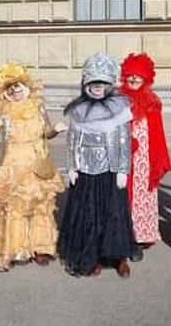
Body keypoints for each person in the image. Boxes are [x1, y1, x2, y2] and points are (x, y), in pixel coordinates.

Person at [57, 52, 137, 279]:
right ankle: (95, 256)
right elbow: (72, 140)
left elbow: (124, 142)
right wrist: (72, 167)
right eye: (93, 83)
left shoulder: (119, 109)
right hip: (86, 170)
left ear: (109, 84)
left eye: (101, 82)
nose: (97, 87)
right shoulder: (79, 110)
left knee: (114, 213)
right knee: (89, 215)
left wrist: (123, 170)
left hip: (111, 169)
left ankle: (119, 257)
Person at [0, 63, 66, 271]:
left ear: (26, 87)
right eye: (10, 90)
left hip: (37, 163)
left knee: (41, 205)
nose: (15, 92)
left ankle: (41, 247)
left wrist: (55, 131)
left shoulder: (38, 108)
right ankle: (16, 248)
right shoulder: (3, 111)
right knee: (14, 206)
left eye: (18, 87)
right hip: (12, 165)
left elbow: (46, 132)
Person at [119, 53, 171, 252]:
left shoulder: (152, 101)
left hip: (145, 158)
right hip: (123, 155)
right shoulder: (117, 100)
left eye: (138, 75)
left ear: (146, 78)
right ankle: (122, 233)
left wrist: (160, 159)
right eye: (130, 75)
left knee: (143, 194)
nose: (133, 79)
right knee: (122, 193)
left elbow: (158, 132)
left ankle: (143, 233)